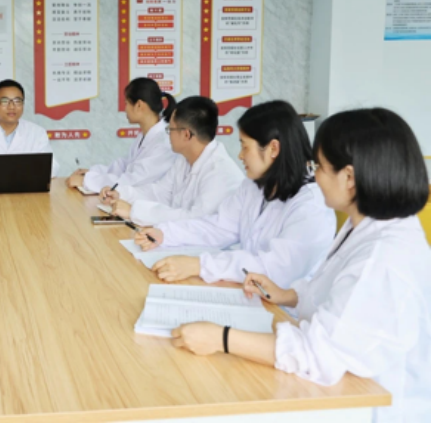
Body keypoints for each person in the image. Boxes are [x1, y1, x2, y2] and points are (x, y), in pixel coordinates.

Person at [169, 108, 431, 423]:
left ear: (349, 177)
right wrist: (287, 295)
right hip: (343, 384)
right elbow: (333, 291)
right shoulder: (367, 226)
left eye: (319, 166)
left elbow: (317, 354)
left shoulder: (382, 257)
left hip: (371, 403)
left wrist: (221, 338)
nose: (315, 175)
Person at [136, 100, 335, 287]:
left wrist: (199, 265)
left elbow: (275, 267)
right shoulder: (254, 186)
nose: (240, 155)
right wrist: (165, 234)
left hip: (284, 307)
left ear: (273, 148)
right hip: (249, 291)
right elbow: (219, 226)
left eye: (245, 146)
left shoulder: (311, 205)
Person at [105, 96, 244, 225]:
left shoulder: (220, 172)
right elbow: (161, 192)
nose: (168, 135)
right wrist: (122, 193)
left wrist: (134, 211)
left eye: (170, 129)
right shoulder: (184, 159)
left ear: (186, 135)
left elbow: (195, 220)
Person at [68, 77, 176, 195]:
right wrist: (94, 173)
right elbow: (125, 167)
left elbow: (133, 181)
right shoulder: (145, 135)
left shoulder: (165, 142)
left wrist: (87, 181)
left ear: (139, 105)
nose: (125, 109)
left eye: (126, 103)